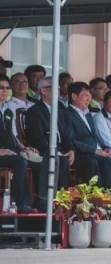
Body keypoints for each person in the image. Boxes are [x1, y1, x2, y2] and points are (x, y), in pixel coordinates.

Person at [61, 82, 111, 188]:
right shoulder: (66, 114)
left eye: (89, 95)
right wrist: (96, 151)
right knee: (106, 162)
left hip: (97, 152)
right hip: (81, 153)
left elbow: (95, 137)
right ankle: (103, 196)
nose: (89, 99)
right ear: (74, 96)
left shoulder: (88, 114)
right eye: (85, 95)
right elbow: (71, 140)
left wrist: (105, 149)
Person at [24, 77, 72, 211]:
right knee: (59, 160)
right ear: (44, 91)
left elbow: (67, 133)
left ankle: (74, 202)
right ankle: (55, 204)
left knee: (85, 160)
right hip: (45, 150)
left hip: (62, 148)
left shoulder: (60, 108)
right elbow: (36, 138)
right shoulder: (34, 111)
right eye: (54, 88)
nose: (58, 91)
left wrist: (71, 149)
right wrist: (55, 151)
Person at [0, 76, 34, 212]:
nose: (4, 91)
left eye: (7, 88)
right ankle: (21, 203)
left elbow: (13, 134)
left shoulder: (8, 111)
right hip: (2, 153)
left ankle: (40, 202)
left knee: (33, 158)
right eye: (1, 88)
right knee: (20, 162)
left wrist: (24, 147)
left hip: (10, 151)